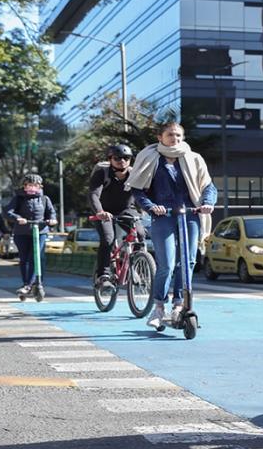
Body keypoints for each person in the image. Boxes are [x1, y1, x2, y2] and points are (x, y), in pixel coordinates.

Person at [127, 122, 217, 328]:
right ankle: (159, 307)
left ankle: (179, 304)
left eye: (178, 135)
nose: (174, 138)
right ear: (160, 137)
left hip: (190, 213)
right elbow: (137, 189)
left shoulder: (194, 158)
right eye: (170, 135)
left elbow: (208, 186)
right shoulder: (150, 158)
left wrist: (207, 204)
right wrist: (151, 206)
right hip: (163, 215)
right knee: (167, 263)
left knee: (188, 262)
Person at [89, 143, 145, 288]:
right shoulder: (102, 173)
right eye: (117, 158)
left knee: (140, 234)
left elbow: (143, 195)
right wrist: (100, 212)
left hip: (126, 210)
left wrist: (151, 209)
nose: (122, 161)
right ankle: (103, 275)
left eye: (126, 158)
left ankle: (136, 266)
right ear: (110, 159)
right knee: (108, 239)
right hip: (104, 212)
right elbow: (94, 194)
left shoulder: (134, 174)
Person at [5, 174, 58, 296]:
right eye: (29, 185)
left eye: (35, 185)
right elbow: (7, 212)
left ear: (40, 186)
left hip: (40, 232)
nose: (32, 188)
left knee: (36, 257)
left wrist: (52, 220)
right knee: (24, 259)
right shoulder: (18, 198)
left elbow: (52, 214)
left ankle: (30, 285)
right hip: (22, 232)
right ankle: (26, 283)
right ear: (24, 186)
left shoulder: (45, 199)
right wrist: (18, 218)